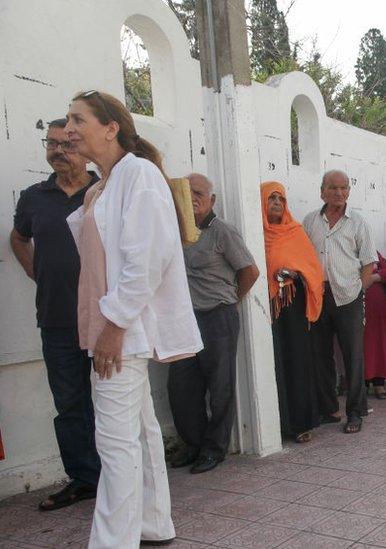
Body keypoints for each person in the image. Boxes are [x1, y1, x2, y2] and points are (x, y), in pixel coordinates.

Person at [65, 90, 202, 547]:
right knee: (139, 435)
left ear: (111, 128)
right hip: (114, 328)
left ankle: (112, 542)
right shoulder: (105, 184)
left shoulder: (138, 175)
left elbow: (148, 259)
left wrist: (114, 326)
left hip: (121, 332)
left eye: (78, 120)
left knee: (115, 444)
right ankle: (153, 522)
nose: (69, 130)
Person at [10, 118, 101, 511]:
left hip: (106, 318)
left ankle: (121, 474)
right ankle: (84, 479)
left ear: (84, 147)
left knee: (112, 399)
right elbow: (18, 237)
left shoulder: (105, 189)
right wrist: (37, 272)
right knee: (69, 405)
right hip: (57, 320)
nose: (58, 151)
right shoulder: (34, 197)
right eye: (52, 144)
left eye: (67, 144)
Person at [167, 174, 259, 474]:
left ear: (211, 200)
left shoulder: (222, 232)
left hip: (217, 316)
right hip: (182, 320)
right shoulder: (172, 229)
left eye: (199, 193)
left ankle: (214, 448)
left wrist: (232, 300)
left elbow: (250, 271)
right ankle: (192, 443)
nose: (192, 197)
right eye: (187, 192)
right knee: (182, 387)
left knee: (220, 386)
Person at [302, 170, 377, 434]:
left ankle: (355, 411)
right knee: (320, 355)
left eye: (344, 188)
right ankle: (329, 409)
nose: (339, 192)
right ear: (322, 191)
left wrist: (359, 291)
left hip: (349, 296)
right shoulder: (310, 221)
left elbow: (369, 262)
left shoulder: (358, 223)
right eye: (333, 188)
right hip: (318, 295)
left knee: (352, 355)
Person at [261, 182, 324, 444]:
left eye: (281, 199)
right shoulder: (256, 233)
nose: (276, 203)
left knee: (297, 360)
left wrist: (295, 273)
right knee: (272, 361)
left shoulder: (295, 232)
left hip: (294, 308)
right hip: (267, 309)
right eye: (271, 198)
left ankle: (300, 422)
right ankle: (275, 422)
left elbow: (313, 269)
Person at [364, 252, 386, 399]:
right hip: (358, 306)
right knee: (361, 345)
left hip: (379, 308)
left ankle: (379, 383)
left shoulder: (374, 253)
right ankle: (362, 384)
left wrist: (373, 278)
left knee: (380, 343)